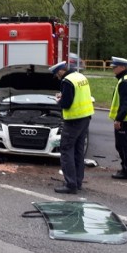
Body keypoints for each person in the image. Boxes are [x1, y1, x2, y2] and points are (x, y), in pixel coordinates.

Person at [49, 60, 94, 194]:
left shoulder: (67, 81)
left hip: (73, 120)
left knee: (66, 150)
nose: (57, 77)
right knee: (78, 152)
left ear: (61, 71)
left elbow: (67, 104)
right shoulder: (80, 77)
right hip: (85, 118)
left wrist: (59, 101)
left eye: (57, 75)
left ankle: (70, 184)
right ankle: (78, 182)